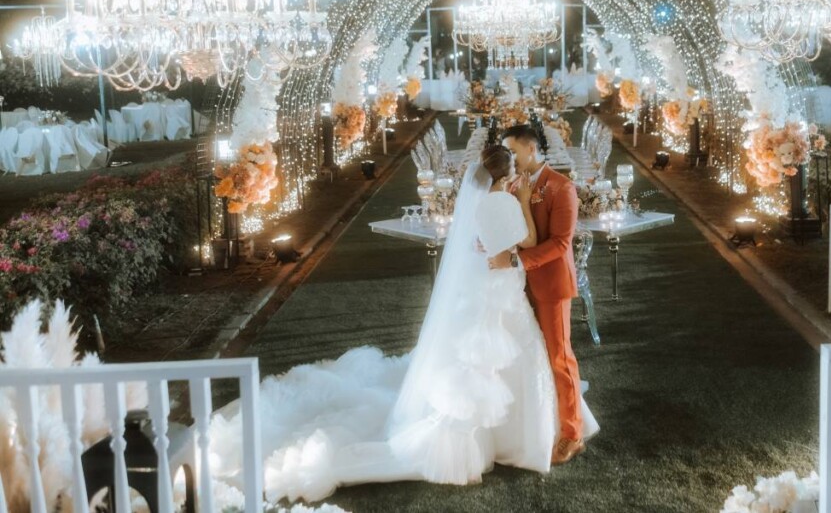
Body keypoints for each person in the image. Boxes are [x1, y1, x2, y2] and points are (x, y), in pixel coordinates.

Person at [208, 147, 597, 503]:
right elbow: (526, 238)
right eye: (514, 172)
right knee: (513, 359)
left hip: (497, 287)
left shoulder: (486, 202)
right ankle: (514, 438)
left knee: (509, 360)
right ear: (505, 175)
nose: (519, 177)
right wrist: (526, 202)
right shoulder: (504, 202)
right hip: (503, 293)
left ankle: (521, 433)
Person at [491, 124, 590, 464]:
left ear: (531, 149)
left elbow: (561, 244)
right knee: (533, 358)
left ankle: (573, 434)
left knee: (560, 358)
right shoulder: (517, 184)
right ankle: (544, 422)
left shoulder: (561, 188)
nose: (510, 158)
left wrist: (517, 260)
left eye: (513, 152)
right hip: (520, 288)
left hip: (550, 286)